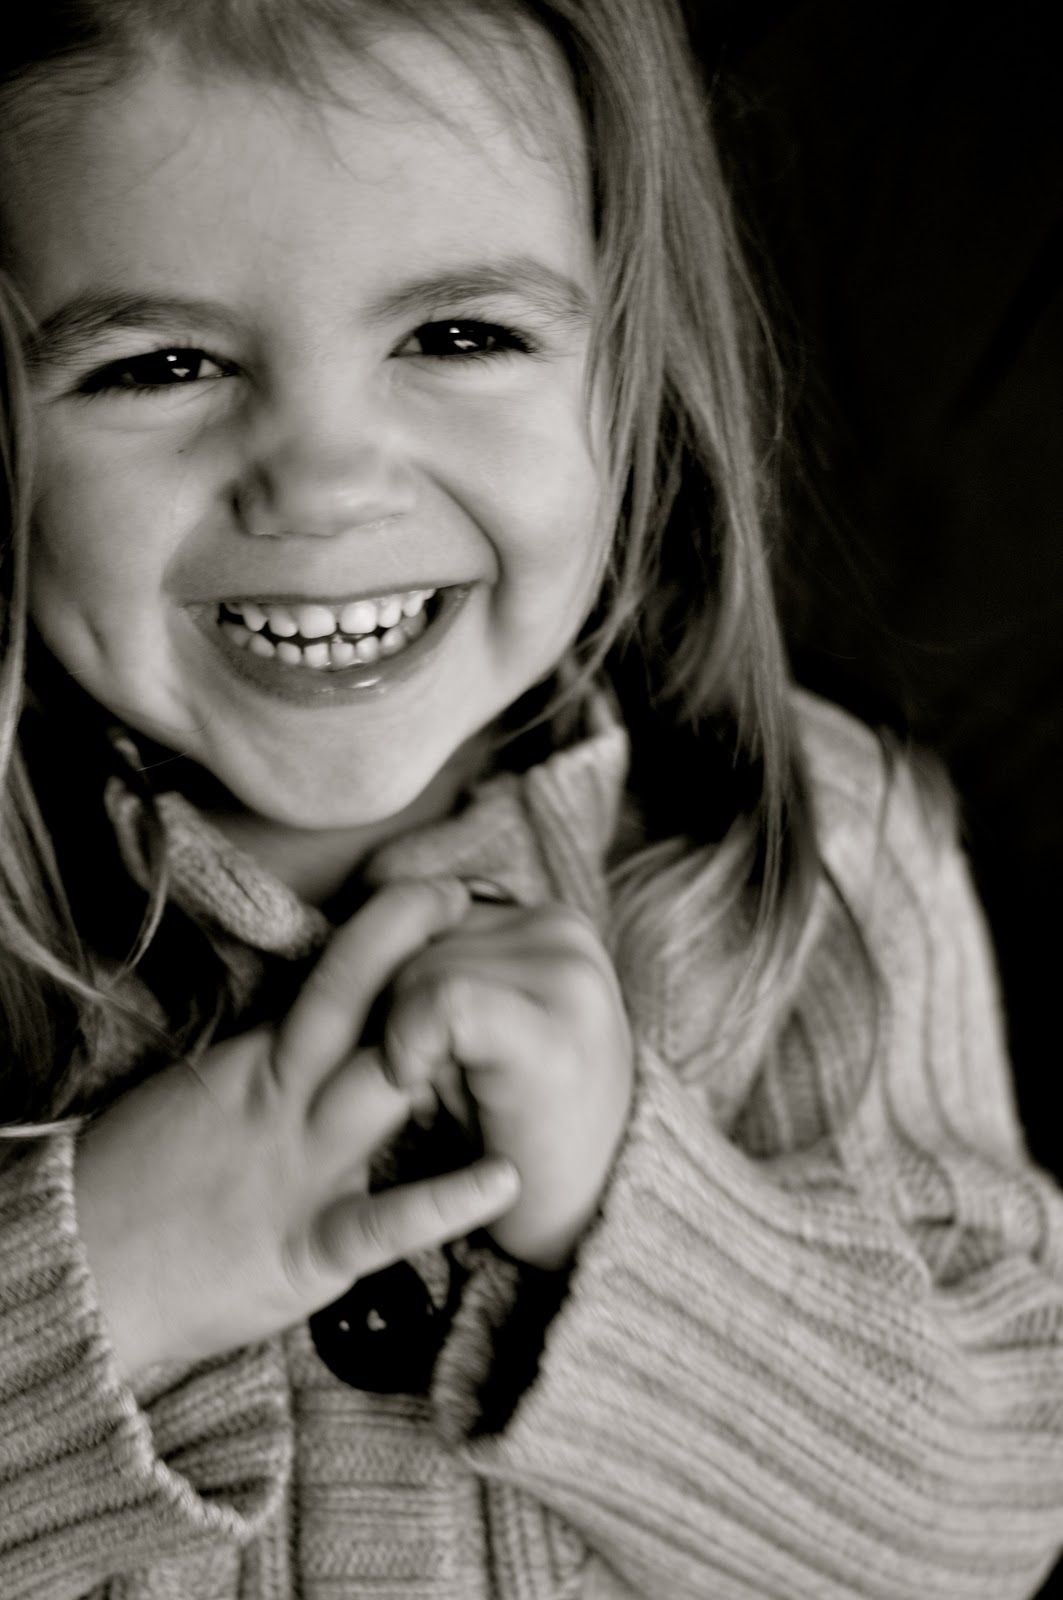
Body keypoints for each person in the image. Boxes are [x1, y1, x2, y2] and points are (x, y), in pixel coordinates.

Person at [0, 2, 1060, 1596]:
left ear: (630, 373)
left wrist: (620, 1207)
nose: (325, 484)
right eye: (160, 365)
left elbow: (985, 1531)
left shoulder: (816, 856)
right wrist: (101, 1278)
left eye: (456, 338)